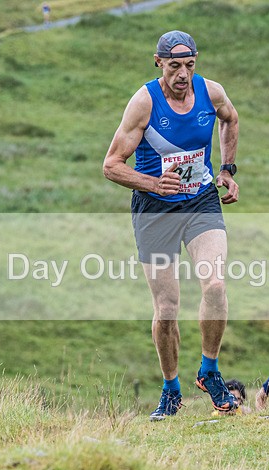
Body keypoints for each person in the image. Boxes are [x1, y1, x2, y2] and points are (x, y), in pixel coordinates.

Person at [103, 30, 240, 421]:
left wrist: (227, 170)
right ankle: (170, 388)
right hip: (154, 210)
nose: (183, 74)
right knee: (167, 308)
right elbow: (111, 165)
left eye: (189, 65)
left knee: (214, 284)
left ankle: (209, 371)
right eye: (175, 66)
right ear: (158, 62)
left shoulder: (211, 93)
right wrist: (152, 183)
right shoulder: (144, 102)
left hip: (200, 200)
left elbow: (230, 119)